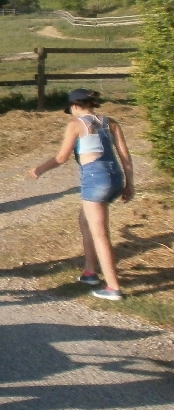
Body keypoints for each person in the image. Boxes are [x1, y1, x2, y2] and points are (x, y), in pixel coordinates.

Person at [30, 89, 134, 300]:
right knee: (84, 219)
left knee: (100, 235)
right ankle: (90, 272)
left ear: (75, 106)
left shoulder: (75, 125)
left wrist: (39, 169)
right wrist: (130, 184)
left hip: (96, 179)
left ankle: (113, 287)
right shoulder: (111, 122)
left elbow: (61, 157)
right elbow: (125, 155)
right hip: (115, 177)